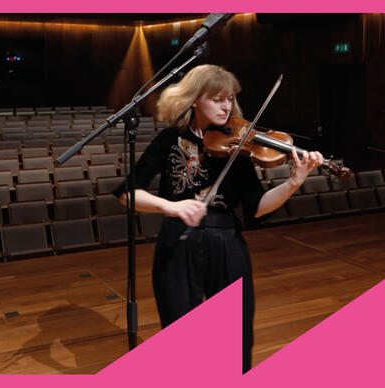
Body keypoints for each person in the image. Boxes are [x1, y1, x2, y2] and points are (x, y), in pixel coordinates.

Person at [114, 64, 323, 373]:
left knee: (234, 340)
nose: (226, 106)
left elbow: (256, 209)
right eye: (217, 98)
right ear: (195, 99)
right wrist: (171, 207)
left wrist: (293, 182)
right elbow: (127, 192)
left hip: (227, 244)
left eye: (229, 98)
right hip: (177, 245)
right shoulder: (170, 141)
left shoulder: (239, 146)